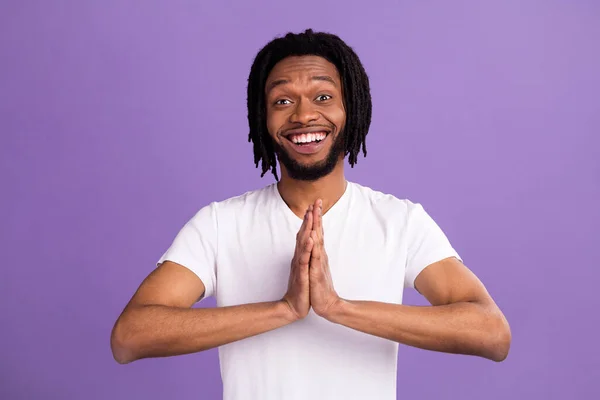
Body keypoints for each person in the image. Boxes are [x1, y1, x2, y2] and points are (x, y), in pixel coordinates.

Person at [110, 29, 511, 399]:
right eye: (282, 101)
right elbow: (131, 337)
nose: (303, 115)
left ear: (349, 110)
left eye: (323, 97)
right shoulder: (220, 224)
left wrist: (338, 308)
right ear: (263, 120)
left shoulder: (399, 222)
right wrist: (283, 309)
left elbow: (491, 333)